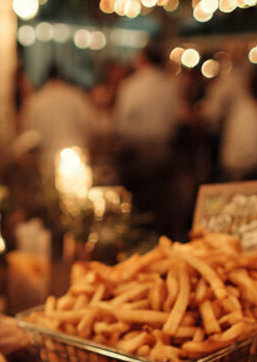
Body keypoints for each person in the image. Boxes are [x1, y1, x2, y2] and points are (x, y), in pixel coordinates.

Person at [112, 42, 184, 232]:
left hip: (137, 154)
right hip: (164, 152)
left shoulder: (131, 86)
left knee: (139, 208)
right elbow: (177, 118)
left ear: (142, 59)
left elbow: (120, 125)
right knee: (161, 206)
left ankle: (141, 243)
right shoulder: (169, 85)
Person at [18, 62, 98, 163]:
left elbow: (28, 130)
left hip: (47, 158)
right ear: (61, 76)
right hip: (76, 155)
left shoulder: (36, 101)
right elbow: (90, 123)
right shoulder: (76, 96)